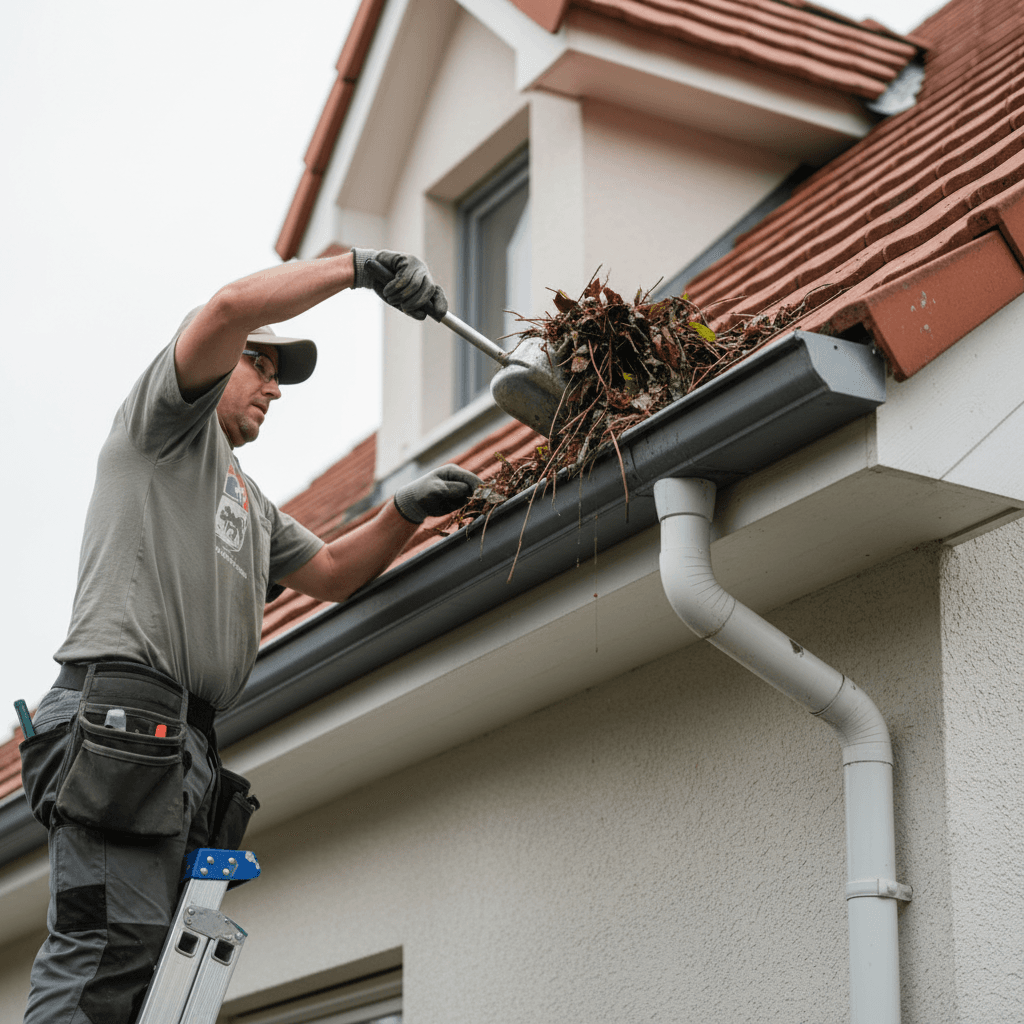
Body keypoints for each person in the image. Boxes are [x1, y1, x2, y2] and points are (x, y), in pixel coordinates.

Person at [18, 248, 481, 1024]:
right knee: (109, 948)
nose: (273, 385)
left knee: (158, 979)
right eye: (261, 366)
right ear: (217, 360)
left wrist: (404, 510)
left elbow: (332, 571)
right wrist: (360, 270)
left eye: (277, 373)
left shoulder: (248, 500)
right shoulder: (160, 430)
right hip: (124, 720)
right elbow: (230, 306)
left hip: (181, 747)